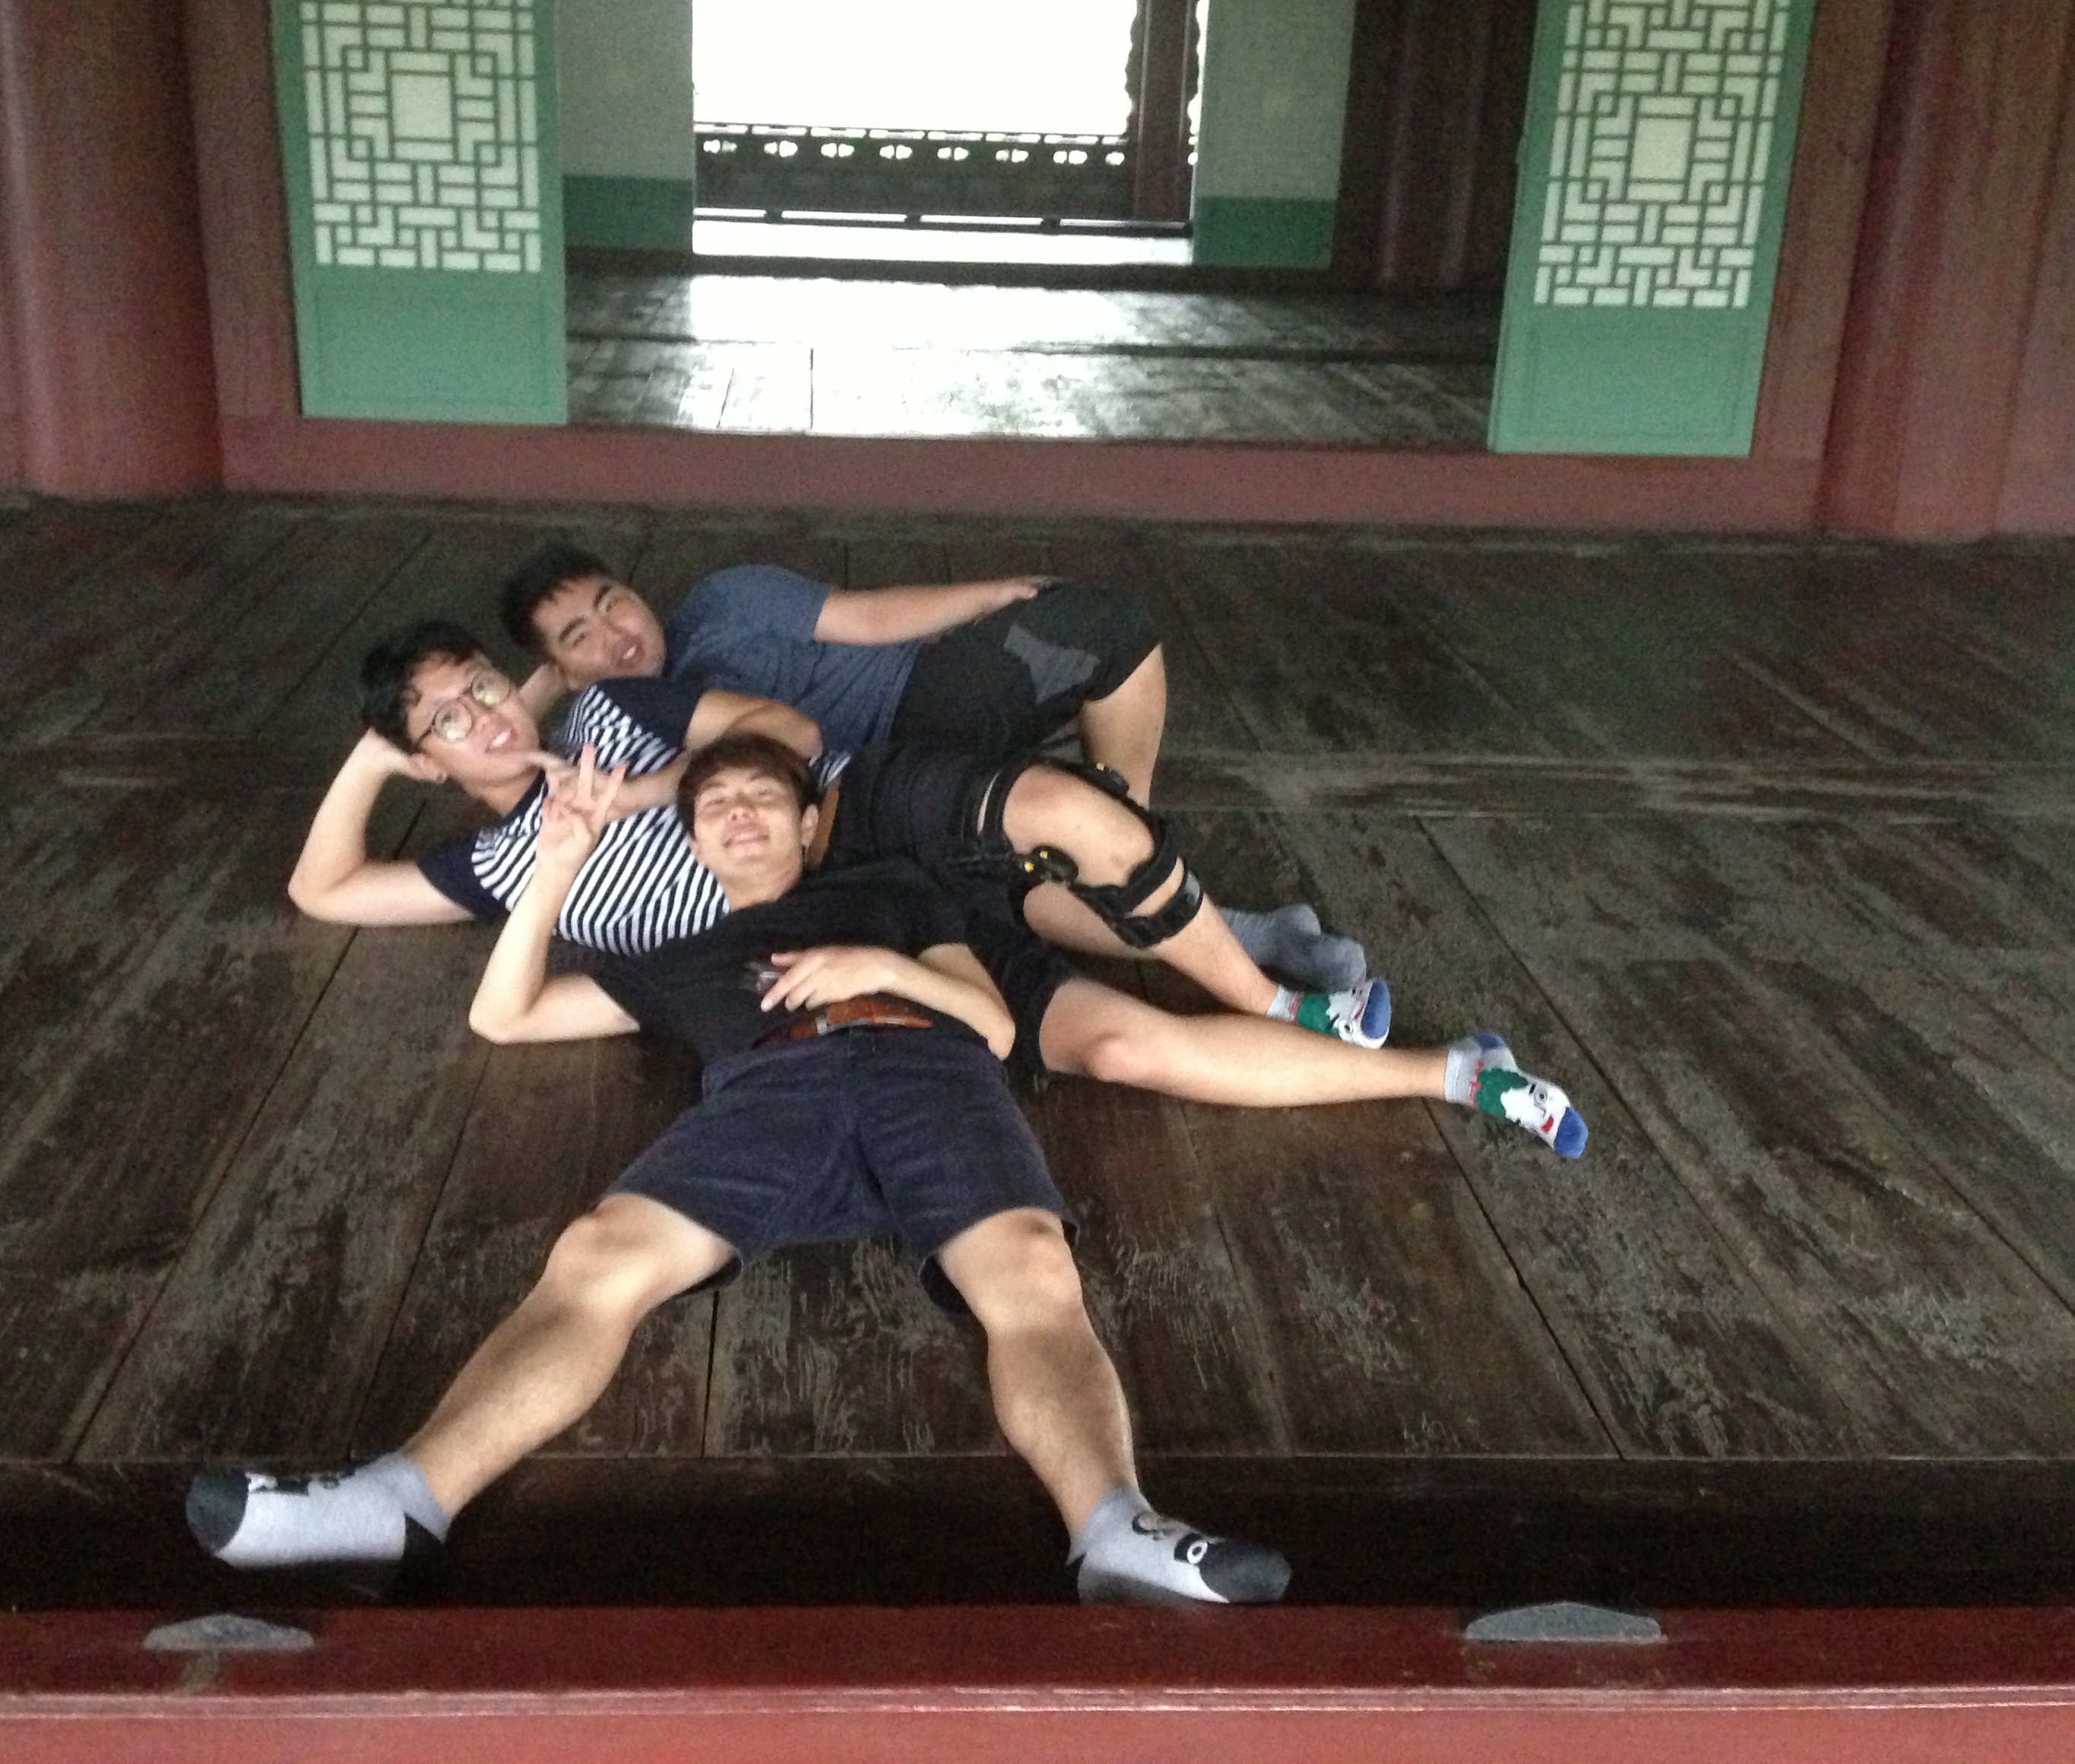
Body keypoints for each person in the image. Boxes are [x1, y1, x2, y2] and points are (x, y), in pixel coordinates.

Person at [188, 736, 1297, 1606]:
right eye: (714, 805)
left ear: (809, 824)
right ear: (695, 843)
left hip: (930, 1070)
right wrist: (555, 870)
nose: (737, 812)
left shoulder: (892, 891)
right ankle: (398, 1503)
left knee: (1033, 1272)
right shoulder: (675, 958)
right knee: (596, 1254)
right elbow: (504, 1016)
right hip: (774, 1090)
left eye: (763, 796)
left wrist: (876, 964)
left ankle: (1116, 1530)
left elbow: (998, 1027)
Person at [287, 622, 1586, 1152]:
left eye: (482, 687)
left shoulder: (616, 715)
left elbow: (784, 736)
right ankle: (1451, 1071)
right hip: (850, 948)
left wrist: (637, 787)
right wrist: (386, 754)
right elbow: (325, 888)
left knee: (1057, 841)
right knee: (1125, 1048)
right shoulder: (490, 867)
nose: (483, 718)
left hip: (858, 845)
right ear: (422, 758)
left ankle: (1272, 980)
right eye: (445, 722)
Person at [498, 538, 1366, 992]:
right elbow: (506, 746)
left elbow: (868, 617)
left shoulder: (724, 602)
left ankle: (1130, 827)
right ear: (560, 671)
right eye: (581, 638)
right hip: (863, 803)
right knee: (1011, 895)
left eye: (614, 603)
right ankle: (1257, 935)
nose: (617, 634)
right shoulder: (608, 719)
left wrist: (985, 594)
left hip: (922, 704)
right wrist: (543, 689)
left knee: (1111, 626)